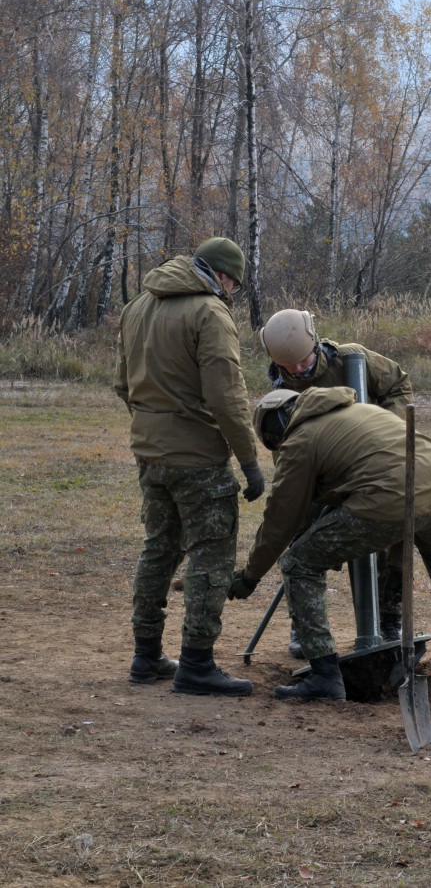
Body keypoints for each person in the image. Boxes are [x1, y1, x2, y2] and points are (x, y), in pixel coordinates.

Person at [229, 385, 431, 702]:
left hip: (387, 500)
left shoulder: (299, 441)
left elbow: (281, 519)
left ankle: (324, 676)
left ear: (274, 432)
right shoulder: (359, 410)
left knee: (299, 563)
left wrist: (250, 576)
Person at [114, 237, 264, 698]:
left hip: (149, 453)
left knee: (158, 549)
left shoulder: (137, 306)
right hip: (198, 458)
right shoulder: (209, 312)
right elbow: (226, 395)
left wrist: (154, 427)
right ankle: (197, 663)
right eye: (233, 284)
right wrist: (250, 461)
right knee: (211, 555)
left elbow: (122, 383)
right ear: (223, 276)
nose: (231, 293)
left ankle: (146, 656)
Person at [259, 308, 415, 653]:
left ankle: (388, 620)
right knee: (301, 539)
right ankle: (305, 626)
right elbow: (285, 445)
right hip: (318, 471)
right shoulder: (282, 388)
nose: (298, 370)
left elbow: (398, 385)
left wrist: (385, 430)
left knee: (389, 539)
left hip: (372, 466)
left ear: (315, 343)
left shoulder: (352, 359)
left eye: (304, 361)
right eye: (289, 366)